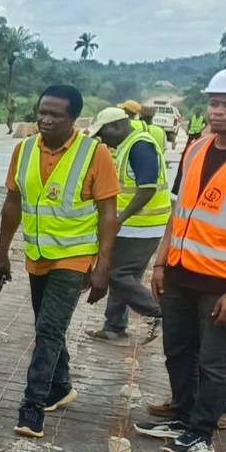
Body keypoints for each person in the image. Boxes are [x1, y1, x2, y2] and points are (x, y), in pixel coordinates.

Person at [134, 66, 226, 452]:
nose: (218, 111)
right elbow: (179, 211)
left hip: (223, 280)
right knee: (178, 350)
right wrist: (160, 264)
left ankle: (201, 432)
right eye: (214, 102)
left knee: (215, 360)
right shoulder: (196, 148)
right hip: (181, 272)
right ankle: (182, 416)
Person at [0, 84, 118, 438]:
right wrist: (2, 254)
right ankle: (61, 386)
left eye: (55, 115)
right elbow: (13, 203)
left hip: (74, 257)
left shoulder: (95, 154)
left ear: (74, 119)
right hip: (37, 255)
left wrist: (103, 266)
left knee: (49, 330)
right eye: (41, 112)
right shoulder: (24, 150)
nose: (45, 120)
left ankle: (32, 406)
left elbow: (108, 213)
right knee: (47, 325)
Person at [86, 107, 168, 342]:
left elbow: (147, 189)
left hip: (142, 225)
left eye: (104, 133)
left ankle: (159, 313)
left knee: (116, 274)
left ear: (117, 126)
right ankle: (114, 325)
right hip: (135, 224)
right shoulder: (128, 144)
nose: (103, 140)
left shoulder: (140, 145)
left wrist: (120, 219)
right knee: (124, 274)